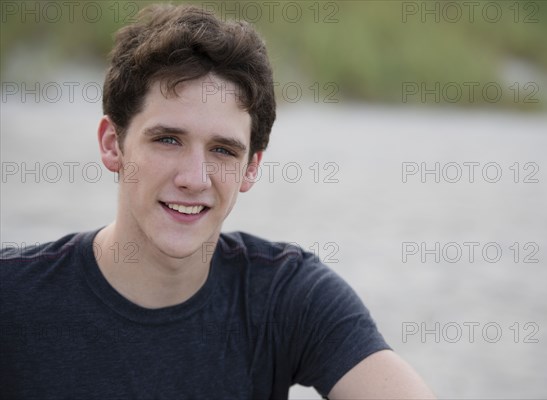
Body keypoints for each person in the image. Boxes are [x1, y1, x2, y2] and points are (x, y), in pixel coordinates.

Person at [0, 3, 435, 399]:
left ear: (250, 168)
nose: (194, 178)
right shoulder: (14, 298)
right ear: (113, 144)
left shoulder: (288, 297)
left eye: (223, 150)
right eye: (168, 139)